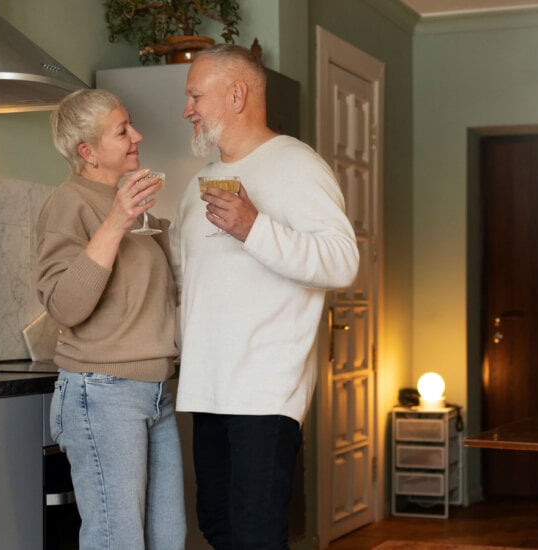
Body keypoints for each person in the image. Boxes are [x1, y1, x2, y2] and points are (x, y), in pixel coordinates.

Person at [170, 44, 360, 549]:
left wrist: (255, 227)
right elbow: (185, 283)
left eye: (195, 96)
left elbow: (342, 261)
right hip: (205, 390)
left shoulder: (297, 165)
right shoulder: (197, 185)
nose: (186, 109)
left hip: (263, 391)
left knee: (255, 535)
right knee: (216, 524)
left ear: (237, 94)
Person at [35, 89, 185, 550]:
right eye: (123, 130)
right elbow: (64, 305)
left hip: (155, 391)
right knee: (116, 541)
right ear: (88, 151)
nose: (137, 135)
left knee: (167, 539)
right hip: (102, 394)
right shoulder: (71, 204)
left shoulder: (130, 206)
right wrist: (117, 221)